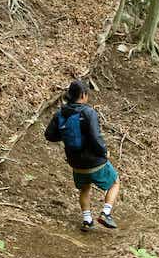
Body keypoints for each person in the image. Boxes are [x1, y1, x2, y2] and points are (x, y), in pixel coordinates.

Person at [44, 80, 120, 231]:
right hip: (94, 161)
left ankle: (87, 220)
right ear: (83, 95)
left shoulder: (60, 114)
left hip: (76, 163)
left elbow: (49, 135)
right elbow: (95, 137)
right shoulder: (88, 112)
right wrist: (104, 152)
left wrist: (68, 136)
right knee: (115, 182)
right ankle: (106, 213)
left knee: (85, 189)